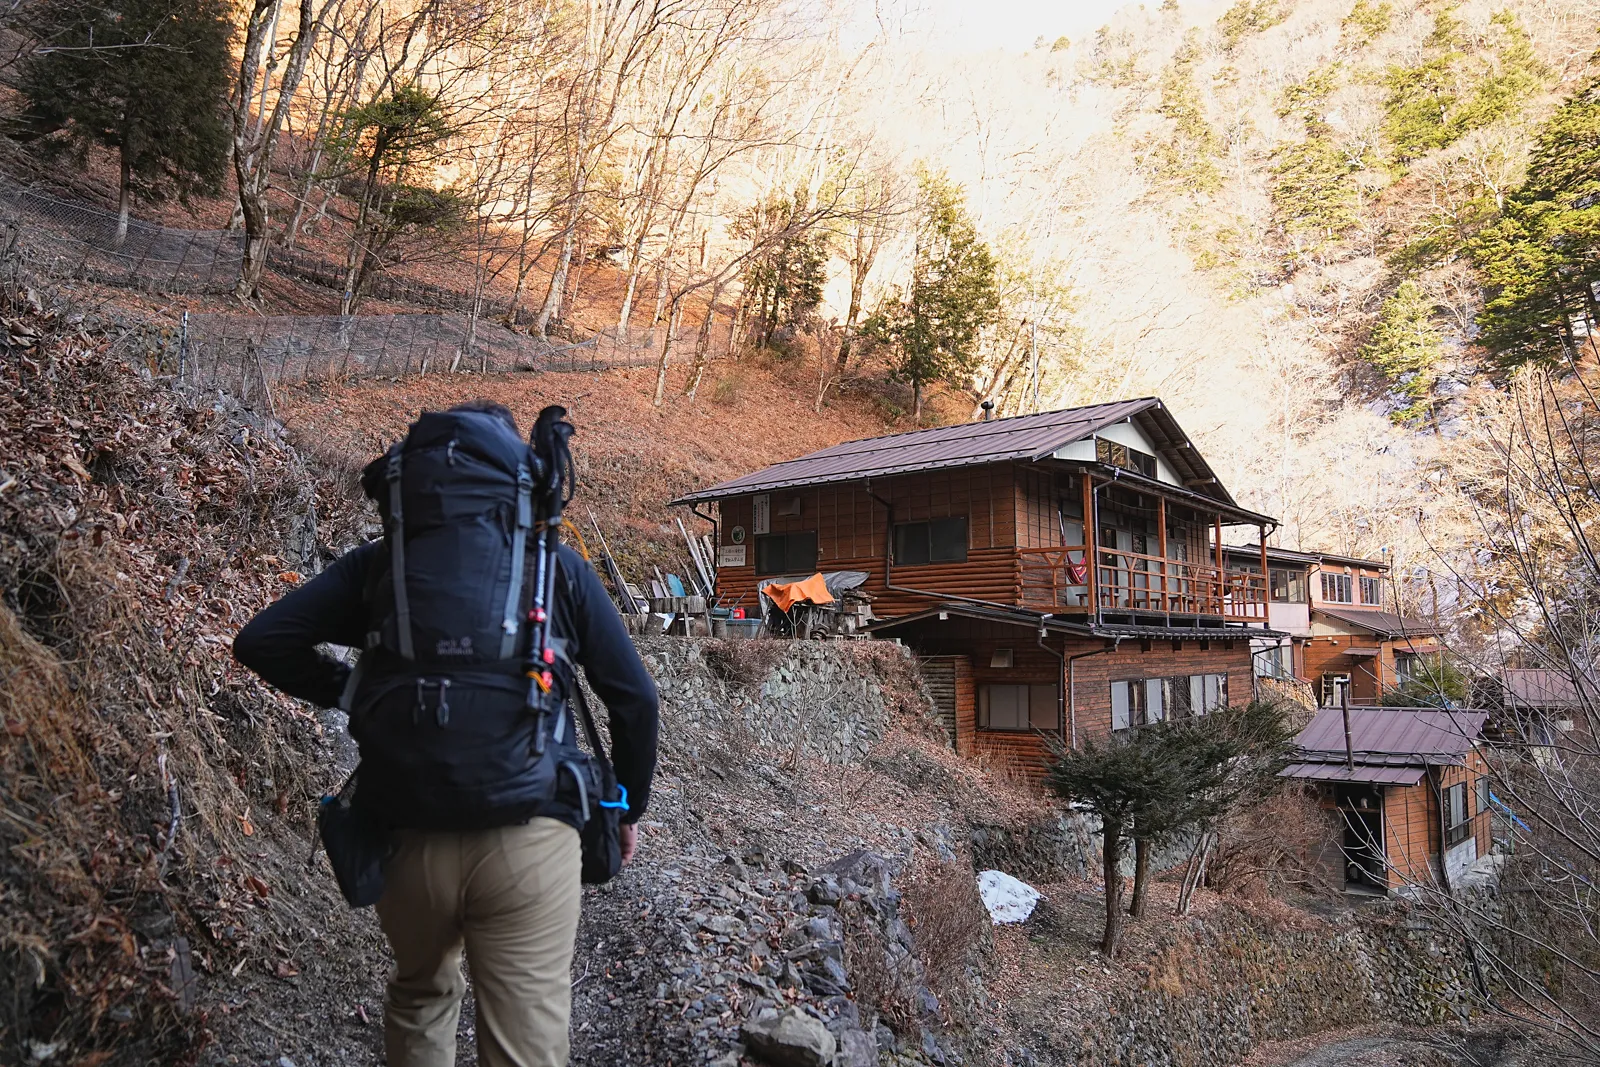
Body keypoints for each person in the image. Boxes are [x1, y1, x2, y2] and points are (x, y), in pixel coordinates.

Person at [233, 400, 659, 1067]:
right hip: (531, 834)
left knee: (421, 994)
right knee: (527, 1040)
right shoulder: (555, 565)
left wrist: (351, 692)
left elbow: (263, 640)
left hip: (403, 830)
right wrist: (626, 806)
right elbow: (634, 698)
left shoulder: (382, 567)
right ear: (516, 471)